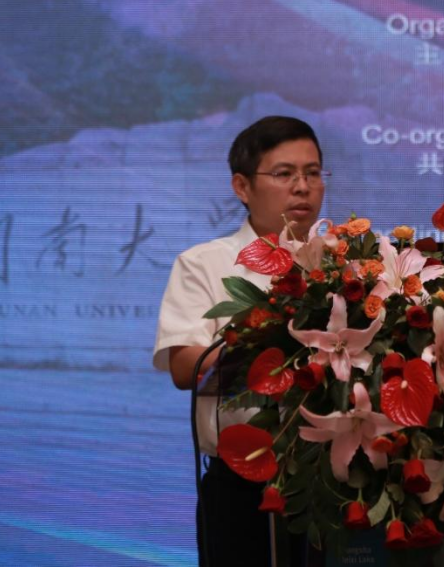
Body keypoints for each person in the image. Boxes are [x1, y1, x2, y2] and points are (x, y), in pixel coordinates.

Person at [153, 116, 327, 567]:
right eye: (284, 173)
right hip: (244, 486)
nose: (303, 187)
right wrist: (265, 333)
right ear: (242, 186)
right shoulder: (205, 264)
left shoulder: (351, 267)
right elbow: (185, 368)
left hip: (338, 482)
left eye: (312, 173)